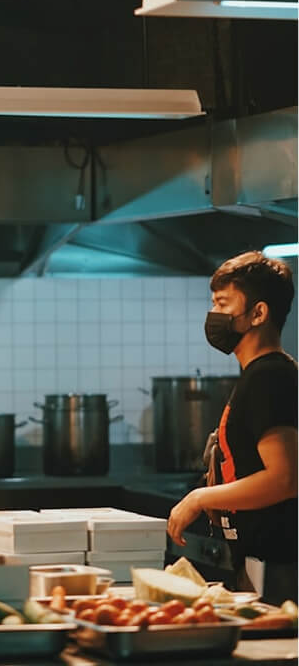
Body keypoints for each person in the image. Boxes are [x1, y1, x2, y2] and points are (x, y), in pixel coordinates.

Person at [167, 251, 297, 605]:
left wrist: (199, 498)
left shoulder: (270, 376)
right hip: (259, 560)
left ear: (258, 313)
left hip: (281, 566)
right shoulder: (257, 375)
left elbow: (285, 478)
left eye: (223, 304)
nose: (215, 316)